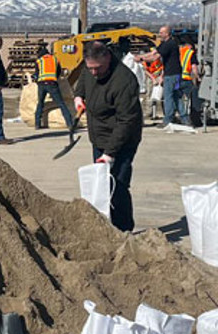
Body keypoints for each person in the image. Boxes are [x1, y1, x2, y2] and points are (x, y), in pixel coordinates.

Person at [73, 42, 143, 232]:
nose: (94, 73)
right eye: (91, 68)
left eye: (98, 68)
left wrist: (109, 153)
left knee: (117, 185)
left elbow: (126, 122)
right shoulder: (90, 70)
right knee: (101, 185)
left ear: (108, 58)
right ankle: (106, 229)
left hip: (122, 141)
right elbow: (83, 82)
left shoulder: (124, 81)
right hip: (99, 138)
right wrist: (78, 97)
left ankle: (124, 230)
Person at [135, 26, 183, 127]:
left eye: (161, 32)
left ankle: (168, 120)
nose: (159, 34)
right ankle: (184, 117)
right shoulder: (164, 44)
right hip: (174, 74)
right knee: (176, 96)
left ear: (167, 33)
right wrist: (142, 57)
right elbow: (153, 52)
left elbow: (155, 57)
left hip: (171, 74)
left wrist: (141, 59)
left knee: (168, 97)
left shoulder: (169, 44)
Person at [33, 46, 74, 130]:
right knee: (61, 103)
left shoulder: (39, 61)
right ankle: (70, 123)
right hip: (52, 84)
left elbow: (36, 73)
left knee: (40, 103)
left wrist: (37, 81)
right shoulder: (55, 59)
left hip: (41, 84)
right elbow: (58, 72)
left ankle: (37, 124)